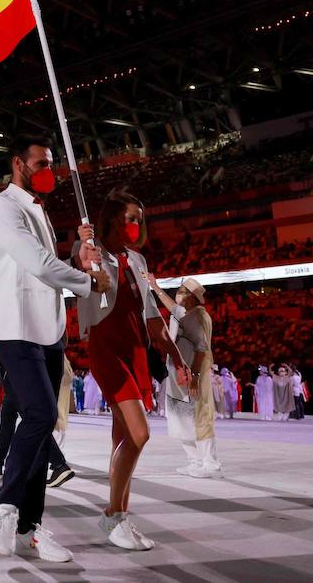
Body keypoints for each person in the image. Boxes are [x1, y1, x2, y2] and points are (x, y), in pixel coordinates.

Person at [0, 134, 107, 563]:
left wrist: (80, 255)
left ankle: (31, 526)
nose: (48, 171)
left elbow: (50, 268)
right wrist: (88, 282)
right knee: (40, 414)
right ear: (18, 164)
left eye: (51, 163)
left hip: (49, 330)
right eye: (41, 163)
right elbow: (36, 264)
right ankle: (6, 505)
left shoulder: (38, 210)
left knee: (41, 428)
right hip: (14, 327)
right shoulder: (0, 209)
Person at [78, 190, 191, 551]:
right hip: (107, 348)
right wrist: (86, 252)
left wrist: (176, 357)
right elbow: (88, 277)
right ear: (111, 220)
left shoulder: (138, 261)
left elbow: (154, 320)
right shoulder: (96, 256)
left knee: (121, 439)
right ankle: (113, 514)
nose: (136, 225)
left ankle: (121, 519)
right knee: (139, 434)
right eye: (130, 218)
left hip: (137, 351)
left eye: (139, 219)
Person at [0, 336, 72, 490]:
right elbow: (63, 336)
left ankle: (58, 463)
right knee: (8, 416)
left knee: (32, 418)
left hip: (17, 364)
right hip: (35, 360)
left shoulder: (10, 314)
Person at [146, 275, 219, 478]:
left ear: (194, 297)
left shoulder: (197, 316)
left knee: (199, 415)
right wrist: (155, 287)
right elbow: (172, 307)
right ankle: (195, 461)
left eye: (184, 291)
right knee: (180, 417)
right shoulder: (184, 313)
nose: (179, 294)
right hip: (179, 372)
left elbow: (202, 349)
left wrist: (195, 375)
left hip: (194, 372)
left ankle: (210, 463)